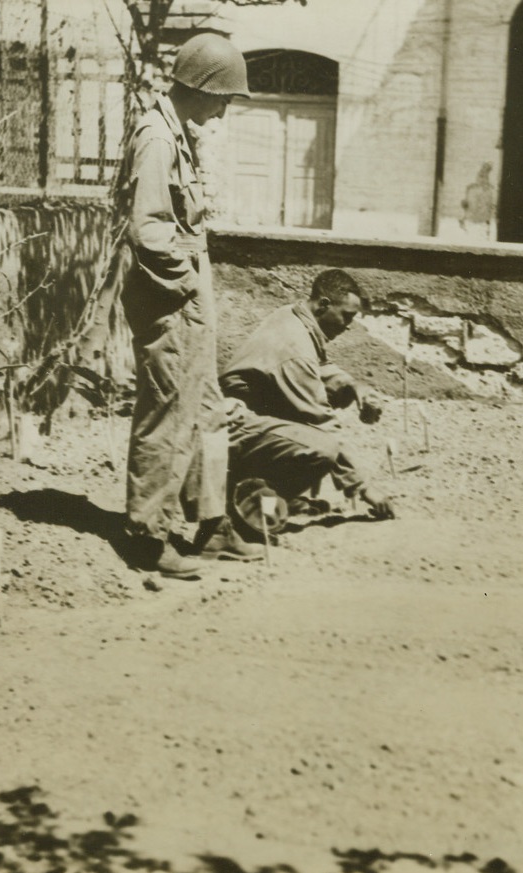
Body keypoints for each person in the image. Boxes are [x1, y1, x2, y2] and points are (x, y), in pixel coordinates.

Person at [117, 34, 259, 578]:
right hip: (168, 296)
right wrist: (184, 290)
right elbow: (148, 231)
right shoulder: (156, 137)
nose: (224, 109)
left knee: (208, 412)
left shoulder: (178, 133)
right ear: (201, 86)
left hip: (188, 291)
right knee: (167, 413)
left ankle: (213, 522)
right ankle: (146, 536)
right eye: (223, 97)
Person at [219, 269, 396, 531]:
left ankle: (279, 498)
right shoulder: (295, 349)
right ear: (324, 304)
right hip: (229, 428)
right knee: (321, 447)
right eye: (346, 316)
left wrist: (352, 386)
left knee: (308, 433)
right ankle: (249, 508)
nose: (348, 326)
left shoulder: (294, 316)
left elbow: (318, 366)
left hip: (247, 420)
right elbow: (321, 420)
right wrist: (364, 489)